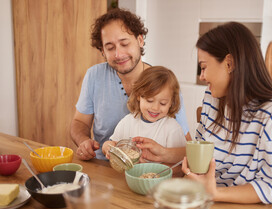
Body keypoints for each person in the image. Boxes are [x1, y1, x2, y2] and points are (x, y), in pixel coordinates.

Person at [134, 22, 272, 204]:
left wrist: (215, 193)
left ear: (229, 63)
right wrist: (164, 153)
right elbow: (202, 152)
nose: (202, 76)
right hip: (203, 201)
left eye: (204, 67)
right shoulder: (213, 98)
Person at [70, 8, 191, 161]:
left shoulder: (164, 84)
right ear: (102, 51)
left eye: (124, 44)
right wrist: (83, 142)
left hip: (150, 171)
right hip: (104, 165)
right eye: (110, 47)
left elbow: (186, 146)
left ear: (140, 40)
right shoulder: (94, 75)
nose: (118, 54)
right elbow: (79, 122)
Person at [101, 66, 186, 163]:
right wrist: (108, 148)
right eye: (149, 101)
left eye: (163, 103)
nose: (155, 108)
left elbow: (180, 165)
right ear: (138, 96)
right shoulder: (128, 122)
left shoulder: (172, 129)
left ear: (171, 102)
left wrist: (151, 171)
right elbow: (110, 143)